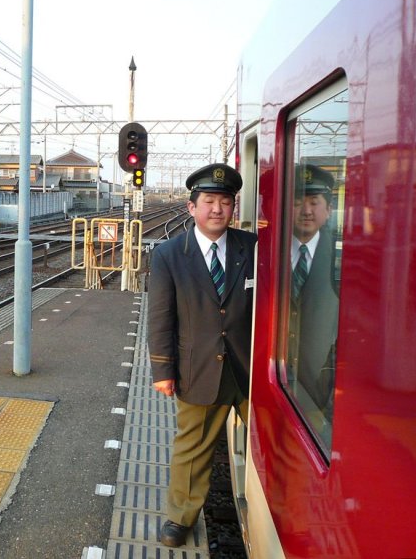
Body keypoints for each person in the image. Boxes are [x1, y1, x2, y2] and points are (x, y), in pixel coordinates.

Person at [147, 163, 257, 547]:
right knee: (192, 447)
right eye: (209, 201)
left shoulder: (253, 248)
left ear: (233, 207)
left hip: (251, 368)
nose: (217, 209)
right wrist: (163, 371)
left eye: (225, 202)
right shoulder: (169, 255)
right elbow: (161, 318)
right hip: (198, 367)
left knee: (271, 442)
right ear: (192, 207)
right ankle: (180, 517)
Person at [288, 164, 339, 427]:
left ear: (328, 209)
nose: (306, 211)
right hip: (269, 378)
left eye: (314, 202)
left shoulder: (344, 258)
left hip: (318, 386)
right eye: (298, 202)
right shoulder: (263, 252)